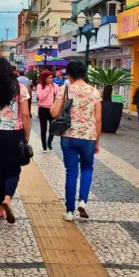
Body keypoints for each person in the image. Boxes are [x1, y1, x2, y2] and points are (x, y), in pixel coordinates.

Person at [0, 57, 31, 224]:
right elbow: (25, 114)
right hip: (13, 133)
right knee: (13, 170)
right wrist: (26, 135)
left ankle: (1, 208)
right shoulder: (20, 88)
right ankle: (7, 199)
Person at [52, 60, 102, 222]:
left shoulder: (65, 89)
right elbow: (99, 119)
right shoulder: (94, 92)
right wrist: (97, 141)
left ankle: (69, 211)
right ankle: (83, 201)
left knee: (71, 172)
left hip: (69, 135)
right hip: (88, 137)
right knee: (87, 168)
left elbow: (53, 112)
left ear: (69, 75)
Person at [35, 70, 59, 153]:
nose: (51, 79)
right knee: (43, 128)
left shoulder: (55, 86)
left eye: (52, 77)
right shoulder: (39, 86)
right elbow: (41, 97)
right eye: (49, 78)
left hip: (52, 109)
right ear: (45, 78)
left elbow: (58, 96)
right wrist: (48, 88)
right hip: (43, 109)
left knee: (53, 127)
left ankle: (49, 143)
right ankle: (44, 147)